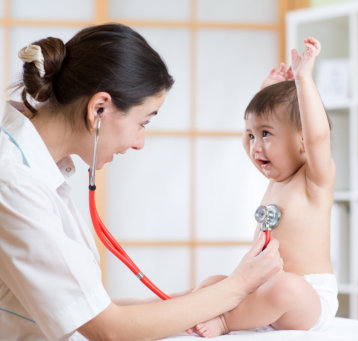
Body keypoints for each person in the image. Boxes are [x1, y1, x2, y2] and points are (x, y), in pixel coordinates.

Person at [0, 23, 283, 341]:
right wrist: (238, 286)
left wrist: (184, 304)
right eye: (142, 122)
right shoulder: (13, 181)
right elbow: (107, 329)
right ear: (100, 109)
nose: (140, 142)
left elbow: (82, 307)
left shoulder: (35, 168)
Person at [192, 37, 338, 338]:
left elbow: (318, 138)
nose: (256, 147)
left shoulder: (313, 180)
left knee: (285, 287)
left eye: (266, 134)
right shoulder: (277, 180)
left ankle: (226, 322)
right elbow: (261, 131)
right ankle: (200, 309)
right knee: (211, 284)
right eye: (250, 136)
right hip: (263, 287)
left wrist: (303, 79)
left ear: (301, 141)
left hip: (307, 296)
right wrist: (266, 92)